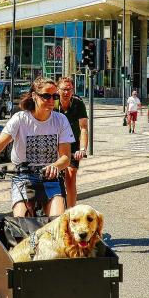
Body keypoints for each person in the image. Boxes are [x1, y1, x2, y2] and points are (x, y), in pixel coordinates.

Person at [0, 77, 73, 217]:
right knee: (21, 221)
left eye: (54, 96)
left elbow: (66, 157)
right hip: (23, 176)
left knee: (57, 223)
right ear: (35, 96)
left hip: (50, 177)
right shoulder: (20, 119)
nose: (51, 100)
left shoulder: (60, 120)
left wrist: (55, 166)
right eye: (46, 96)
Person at [55, 77, 88, 207]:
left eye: (69, 89)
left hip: (73, 144)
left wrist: (82, 149)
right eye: (63, 89)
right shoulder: (53, 102)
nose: (66, 93)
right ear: (58, 90)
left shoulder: (78, 103)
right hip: (55, 144)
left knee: (71, 175)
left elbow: (83, 127)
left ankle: (71, 212)